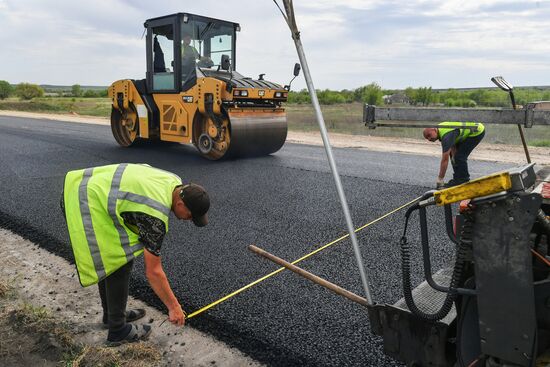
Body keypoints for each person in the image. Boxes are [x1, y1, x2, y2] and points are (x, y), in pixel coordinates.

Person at [61, 163, 210, 345]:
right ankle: (117, 330)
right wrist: (174, 307)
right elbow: (153, 272)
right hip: (84, 202)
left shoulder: (174, 181)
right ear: (180, 203)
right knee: (118, 262)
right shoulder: (155, 217)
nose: (188, 220)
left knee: (118, 258)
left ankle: (112, 314)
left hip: (85, 187)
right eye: (189, 215)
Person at [423, 121, 485, 188]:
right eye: (427, 138)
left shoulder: (446, 136)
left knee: (460, 157)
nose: (429, 139)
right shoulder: (442, 130)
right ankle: (457, 179)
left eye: (429, 135)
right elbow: (453, 142)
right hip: (465, 130)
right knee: (454, 156)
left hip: (477, 131)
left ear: (434, 129)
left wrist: (440, 179)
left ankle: (464, 180)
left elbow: (445, 160)